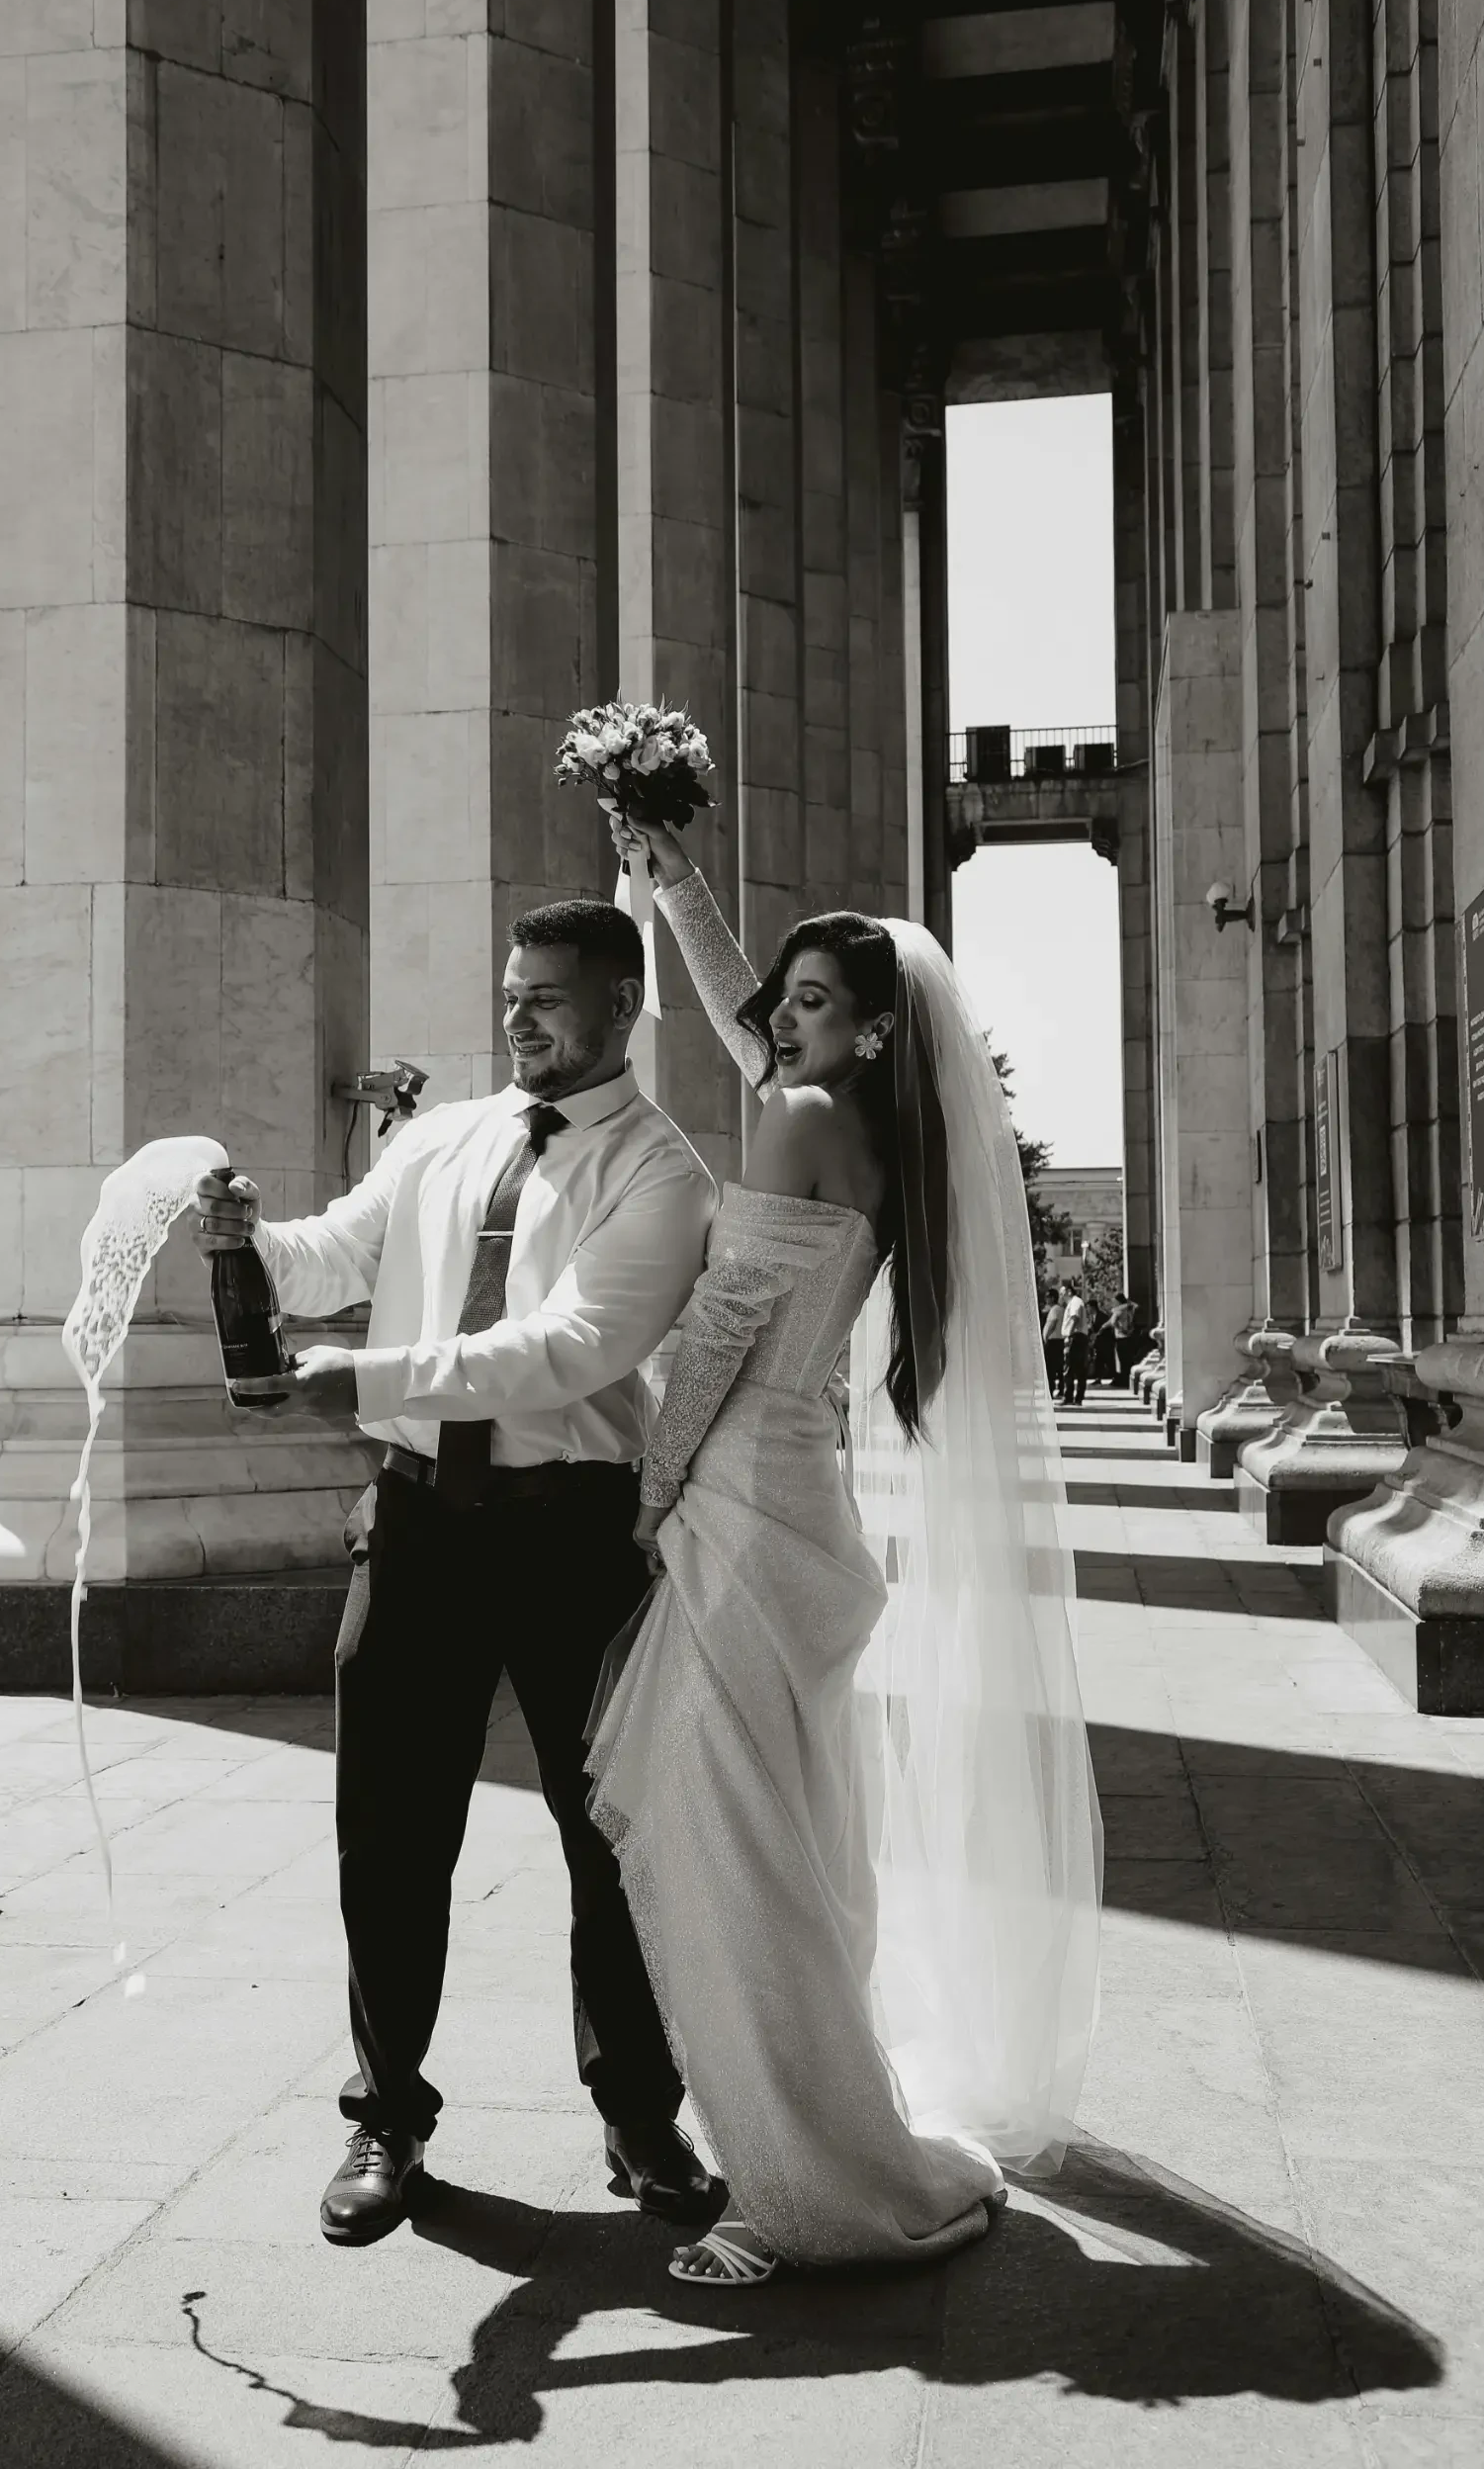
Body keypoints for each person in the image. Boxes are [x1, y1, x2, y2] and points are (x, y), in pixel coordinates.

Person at [589, 818, 1101, 2287]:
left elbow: (727, 1330)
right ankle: (795, 2127)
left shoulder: (803, 1119)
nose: (787, 1020)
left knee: (731, 1842)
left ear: (876, 1030)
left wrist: (651, 1484)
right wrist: (671, 867)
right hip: (801, 1495)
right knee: (780, 1832)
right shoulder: (866, 1129)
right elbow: (740, 998)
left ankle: (803, 2183)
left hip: (742, 1498)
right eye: (792, 1000)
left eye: (817, 1005)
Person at [194, 900, 722, 2249]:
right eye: (510, 992)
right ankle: (387, 2116)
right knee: (388, 1829)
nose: (519, 1017)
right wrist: (243, 1233)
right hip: (418, 1522)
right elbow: (330, 1259)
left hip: (573, 1533)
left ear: (619, 1007)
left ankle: (639, 2111)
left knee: (609, 1839)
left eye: (548, 995)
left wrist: (363, 1379)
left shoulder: (664, 1177)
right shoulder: (441, 1138)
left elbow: (568, 1347)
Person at [1060, 1286, 1090, 1406]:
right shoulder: (1076, 1302)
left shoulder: (1075, 1302)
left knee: (1069, 1368)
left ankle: (1069, 1397)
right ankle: (1077, 1398)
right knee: (1078, 1369)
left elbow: (1074, 1318)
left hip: (1075, 1337)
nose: (1061, 1296)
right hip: (1079, 1337)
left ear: (1068, 1292)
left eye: (1062, 1293)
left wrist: (1068, 1335)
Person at [1040, 1289, 1067, 1396]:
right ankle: (1061, 1389)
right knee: (1059, 1367)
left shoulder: (1055, 1310)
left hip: (1053, 1341)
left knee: (1050, 1367)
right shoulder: (1059, 1309)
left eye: (1048, 1297)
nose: (1046, 1299)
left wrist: (1046, 1335)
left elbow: (1053, 1323)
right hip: (1059, 1340)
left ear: (1053, 1298)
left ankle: (1050, 1390)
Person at [1110, 1292, 1140, 1387]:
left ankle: (1123, 1381)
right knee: (1129, 1360)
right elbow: (1137, 1306)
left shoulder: (1118, 1310)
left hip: (1121, 1337)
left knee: (1122, 1360)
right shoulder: (1130, 1308)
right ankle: (1129, 1380)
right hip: (1130, 1336)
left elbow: (1113, 1322)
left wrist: (1120, 1329)